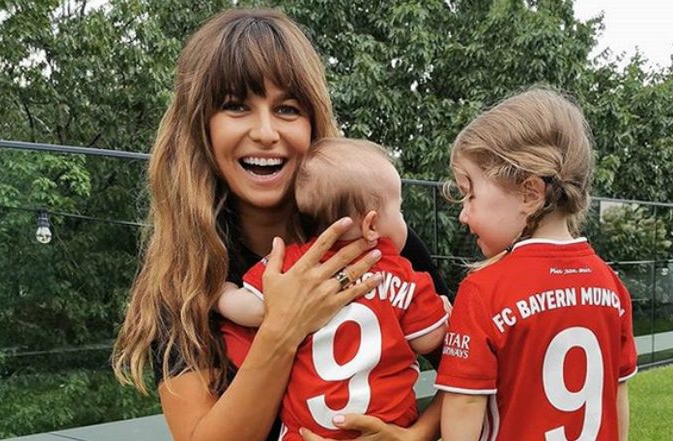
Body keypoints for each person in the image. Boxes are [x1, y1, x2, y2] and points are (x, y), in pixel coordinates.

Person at [111, 8, 448, 441]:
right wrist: (283, 328)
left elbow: (472, 367)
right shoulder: (185, 276)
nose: (266, 132)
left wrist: (418, 434)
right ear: (201, 128)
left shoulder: (377, 240)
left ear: (313, 123)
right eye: (236, 106)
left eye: (287, 109)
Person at [435, 88, 638, 441]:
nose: (463, 215)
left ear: (529, 194)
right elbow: (617, 396)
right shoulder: (610, 284)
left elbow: (465, 405)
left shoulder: (484, 291)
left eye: (470, 194)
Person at [218, 138, 449, 440]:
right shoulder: (404, 276)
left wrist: (221, 295)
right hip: (388, 428)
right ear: (372, 225)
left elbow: (251, 309)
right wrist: (443, 313)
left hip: (307, 432)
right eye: (400, 211)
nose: (403, 220)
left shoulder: (290, 264)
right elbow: (430, 339)